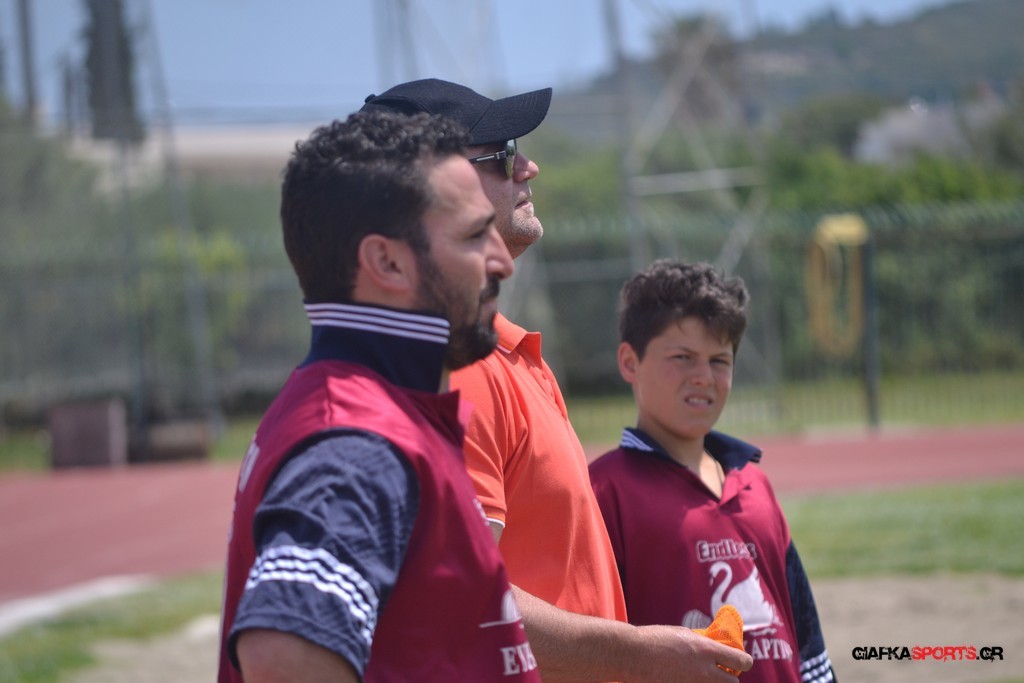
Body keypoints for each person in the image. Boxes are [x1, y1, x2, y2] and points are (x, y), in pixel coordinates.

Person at [362, 79, 753, 681]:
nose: (528, 167)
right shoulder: (455, 368)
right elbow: (458, 601)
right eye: (502, 155)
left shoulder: (503, 352)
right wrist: (641, 656)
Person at [218, 110, 542, 682]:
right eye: (474, 236)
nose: (501, 262)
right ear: (386, 262)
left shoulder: (362, 407)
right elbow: (282, 656)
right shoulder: (358, 444)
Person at [589, 260, 837, 683]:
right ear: (630, 362)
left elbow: (806, 634)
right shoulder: (602, 491)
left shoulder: (755, 484)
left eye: (720, 360)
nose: (704, 376)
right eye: (682, 357)